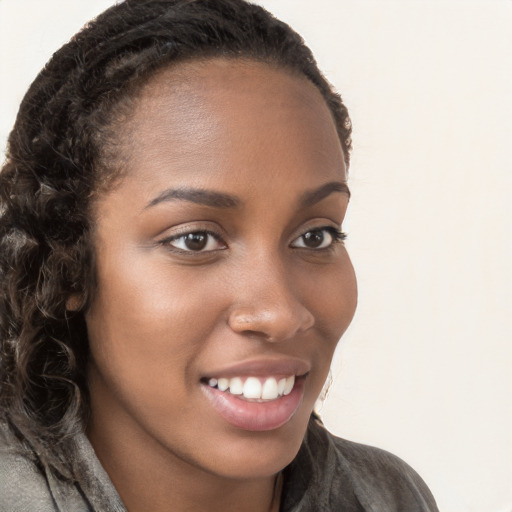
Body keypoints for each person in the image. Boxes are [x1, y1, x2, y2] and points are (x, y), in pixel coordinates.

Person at [0, 1, 439, 510]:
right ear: (68, 263)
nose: (279, 313)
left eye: (317, 236)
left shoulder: (386, 498)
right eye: (195, 240)